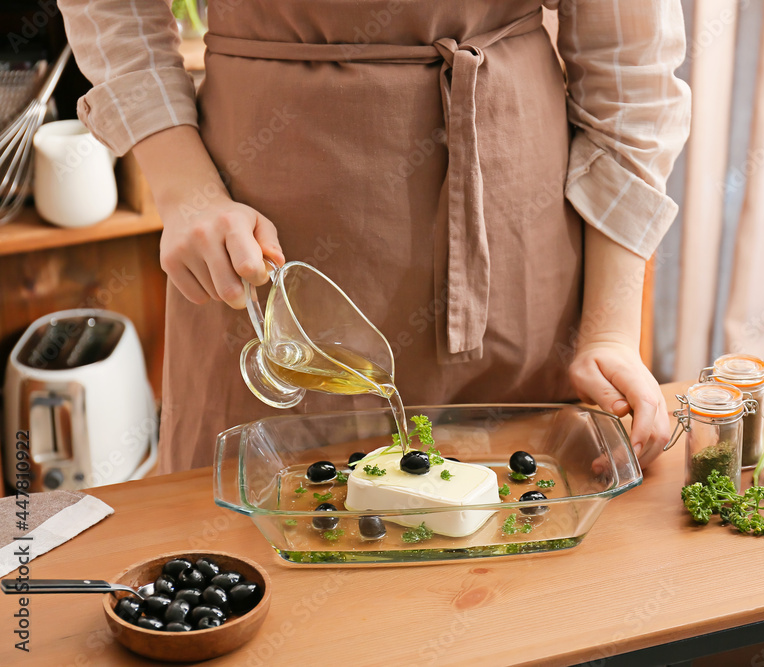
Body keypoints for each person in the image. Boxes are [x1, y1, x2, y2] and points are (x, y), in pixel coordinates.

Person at [57, 0, 691, 473]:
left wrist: (608, 330)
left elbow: (630, 71)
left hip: (517, 241)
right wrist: (184, 189)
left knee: (518, 550)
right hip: (263, 221)